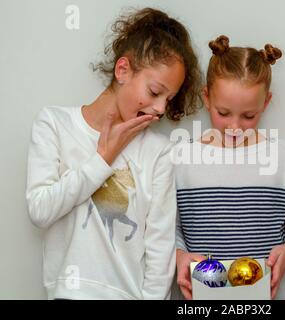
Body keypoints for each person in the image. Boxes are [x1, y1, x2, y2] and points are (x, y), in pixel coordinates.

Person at [26, 7, 202, 299]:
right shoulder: (54, 124)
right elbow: (40, 211)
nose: (160, 109)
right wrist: (102, 159)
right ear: (123, 70)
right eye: (155, 92)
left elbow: (159, 247)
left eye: (168, 99)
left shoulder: (158, 151)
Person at [173, 35, 285, 300]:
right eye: (223, 113)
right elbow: (170, 229)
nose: (235, 127)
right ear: (206, 97)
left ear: (265, 102)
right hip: (202, 298)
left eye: (249, 116)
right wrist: (179, 256)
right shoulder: (181, 158)